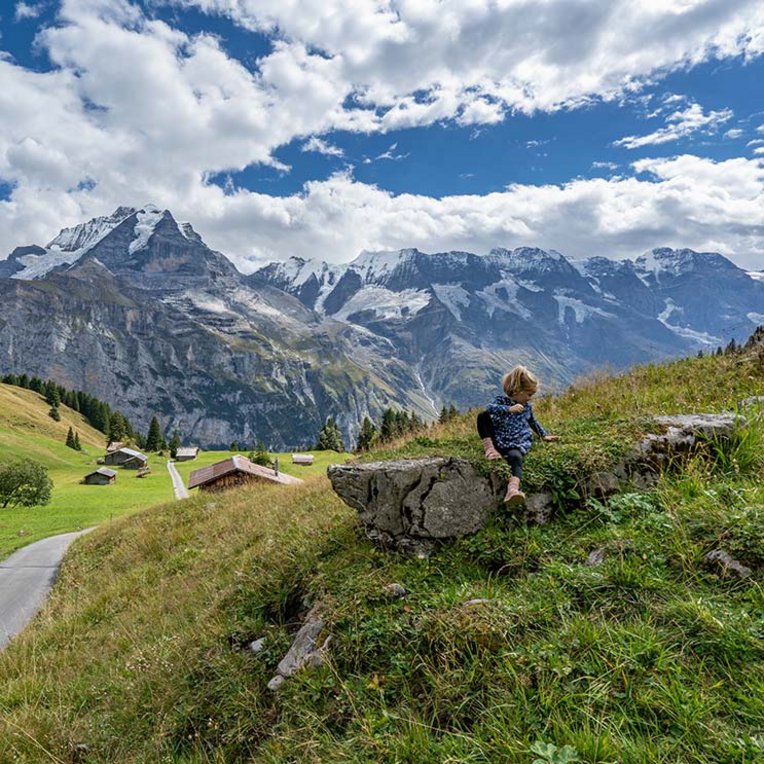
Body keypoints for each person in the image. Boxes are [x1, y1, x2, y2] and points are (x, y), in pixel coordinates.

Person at [477, 365, 558, 504]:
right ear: (517, 391)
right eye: (529, 394)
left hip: (516, 443)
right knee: (483, 416)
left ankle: (513, 489)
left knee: (516, 458)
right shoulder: (501, 401)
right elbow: (490, 408)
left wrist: (543, 435)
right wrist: (508, 409)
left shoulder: (527, 407)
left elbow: (533, 422)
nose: (530, 398)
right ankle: (490, 449)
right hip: (499, 438)